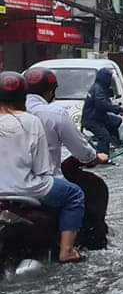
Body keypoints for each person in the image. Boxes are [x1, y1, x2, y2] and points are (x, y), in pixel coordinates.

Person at [0, 71, 86, 262]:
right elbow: (41, 168)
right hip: (27, 189)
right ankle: (67, 251)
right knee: (75, 195)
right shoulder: (31, 121)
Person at [25, 68, 110, 250]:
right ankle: (68, 250)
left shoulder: (9, 117)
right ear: (51, 91)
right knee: (75, 195)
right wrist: (95, 157)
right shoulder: (54, 113)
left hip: (7, 184)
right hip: (42, 183)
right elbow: (82, 152)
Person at [82, 68, 123, 154]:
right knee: (104, 137)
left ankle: (113, 142)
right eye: (109, 78)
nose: (110, 81)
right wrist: (120, 109)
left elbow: (108, 103)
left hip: (99, 117)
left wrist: (119, 110)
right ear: (105, 79)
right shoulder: (97, 89)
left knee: (116, 121)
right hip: (91, 120)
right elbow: (102, 104)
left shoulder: (101, 88)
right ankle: (102, 158)